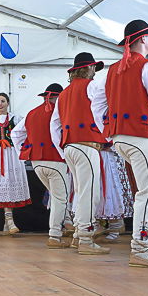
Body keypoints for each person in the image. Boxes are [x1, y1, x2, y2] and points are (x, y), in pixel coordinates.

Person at [91, 20, 148, 268]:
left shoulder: (111, 71)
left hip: (122, 137)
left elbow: (97, 104)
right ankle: (140, 247)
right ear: (143, 39)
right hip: (141, 136)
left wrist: (108, 132)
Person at [51, 52, 115, 255]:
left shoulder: (63, 94)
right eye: (94, 68)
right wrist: (108, 138)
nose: (95, 72)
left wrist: (62, 148)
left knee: (80, 192)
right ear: (88, 68)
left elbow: (54, 126)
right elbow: (103, 110)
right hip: (87, 145)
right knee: (90, 192)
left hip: (70, 146)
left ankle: (79, 234)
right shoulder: (93, 86)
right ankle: (86, 238)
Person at [11, 84, 73, 248]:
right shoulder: (62, 113)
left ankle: (66, 224)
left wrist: (25, 152)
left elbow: (15, 134)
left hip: (37, 162)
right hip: (56, 160)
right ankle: (55, 235)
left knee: (56, 195)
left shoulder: (32, 113)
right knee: (61, 198)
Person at [0, 92, 30, 234]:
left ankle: (8, 223)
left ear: (8, 103)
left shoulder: (16, 118)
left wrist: (19, 147)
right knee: (2, 184)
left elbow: (23, 134)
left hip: (11, 154)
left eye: (2, 101)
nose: (0, 104)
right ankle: (9, 221)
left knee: (9, 185)